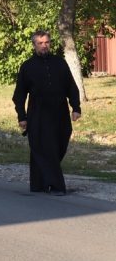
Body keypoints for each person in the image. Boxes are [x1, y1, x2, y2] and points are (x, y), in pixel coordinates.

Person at [13, 30, 82, 195]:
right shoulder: (28, 66)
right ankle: (57, 186)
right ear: (34, 45)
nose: (44, 46)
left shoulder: (60, 63)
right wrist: (22, 117)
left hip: (60, 112)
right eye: (40, 43)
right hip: (38, 113)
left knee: (59, 145)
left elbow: (71, 87)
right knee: (45, 147)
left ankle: (38, 183)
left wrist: (76, 107)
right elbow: (19, 95)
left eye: (47, 43)